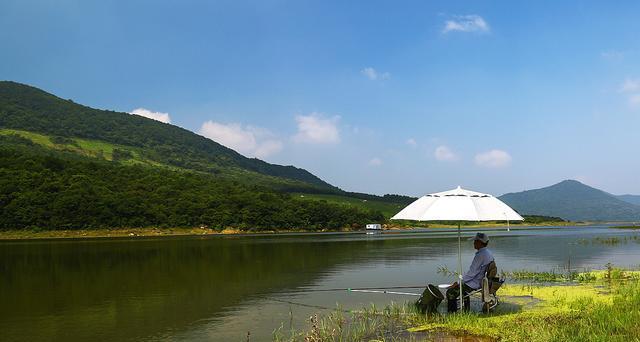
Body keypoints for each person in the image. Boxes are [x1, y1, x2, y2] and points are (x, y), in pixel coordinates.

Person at [446, 232, 494, 312]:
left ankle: (452, 314)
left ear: (480, 242)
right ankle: (466, 310)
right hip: (481, 280)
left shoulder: (480, 255)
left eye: (475, 241)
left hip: (475, 283)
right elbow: (473, 273)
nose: (473, 243)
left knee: (450, 293)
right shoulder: (488, 253)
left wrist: (458, 282)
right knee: (463, 290)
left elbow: (471, 274)